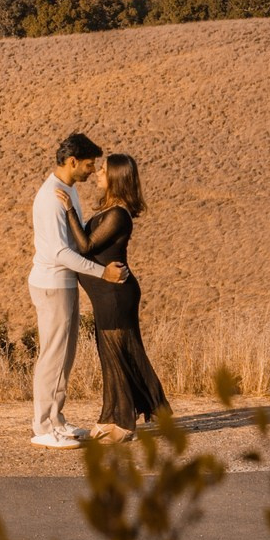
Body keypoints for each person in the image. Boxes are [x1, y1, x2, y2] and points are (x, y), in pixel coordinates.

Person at [28, 133, 125, 448]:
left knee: (64, 356)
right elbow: (60, 252)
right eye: (88, 164)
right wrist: (102, 273)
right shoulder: (51, 197)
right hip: (52, 283)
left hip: (63, 283)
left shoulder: (67, 190)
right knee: (53, 356)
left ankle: (56, 419)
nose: (92, 170)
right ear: (72, 162)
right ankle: (43, 427)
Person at [71, 153, 168, 441]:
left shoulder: (118, 215)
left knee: (118, 355)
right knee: (110, 354)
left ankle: (124, 423)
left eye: (103, 170)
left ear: (116, 177)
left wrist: (69, 211)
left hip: (116, 295)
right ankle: (109, 416)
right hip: (105, 295)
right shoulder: (108, 211)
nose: (98, 173)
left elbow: (86, 245)